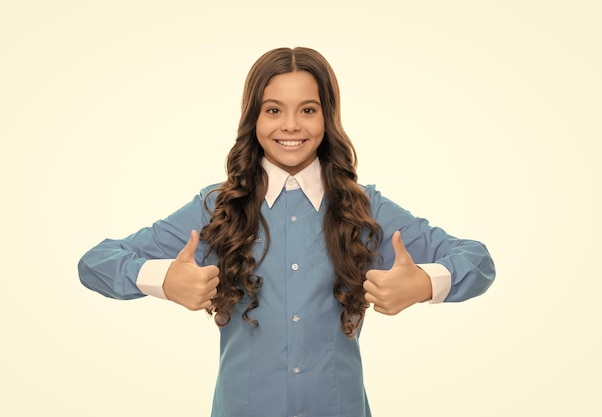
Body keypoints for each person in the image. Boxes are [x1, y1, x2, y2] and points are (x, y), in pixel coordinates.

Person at [78, 46, 495, 417]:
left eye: (308, 110)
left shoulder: (365, 209)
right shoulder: (216, 208)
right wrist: (163, 280)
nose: (291, 126)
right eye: (274, 109)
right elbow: (96, 261)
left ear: (327, 117)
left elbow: (476, 259)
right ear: (253, 117)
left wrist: (424, 283)